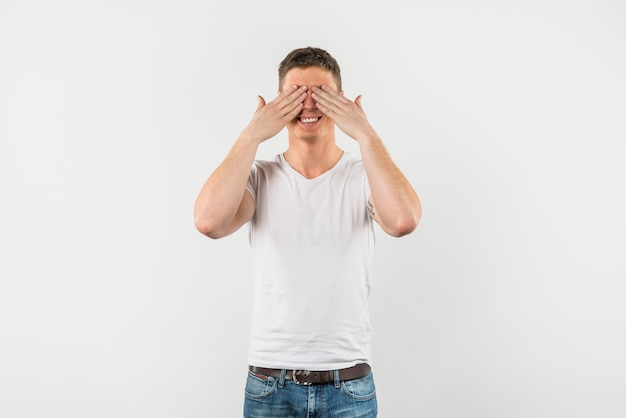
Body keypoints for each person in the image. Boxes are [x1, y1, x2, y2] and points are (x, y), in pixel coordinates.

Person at [194, 46, 421, 418]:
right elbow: (208, 222)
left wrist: (366, 135)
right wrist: (252, 135)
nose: (309, 105)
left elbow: (402, 221)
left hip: (348, 386)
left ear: (342, 101)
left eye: (322, 94)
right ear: (276, 103)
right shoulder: (259, 177)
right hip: (270, 384)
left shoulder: (364, 176)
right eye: (296, 94)